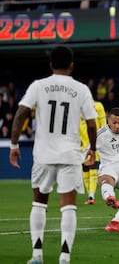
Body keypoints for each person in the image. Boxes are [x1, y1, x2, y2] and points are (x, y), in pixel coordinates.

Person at [9, 45, 97, 264]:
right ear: (72, 65)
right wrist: (93, 149)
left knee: (39, 203)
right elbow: (92, 124)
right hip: (70, 154)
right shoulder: (82, 89)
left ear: (50, 65)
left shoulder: (39, 86)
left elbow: (21, 114)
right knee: (68, 205)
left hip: (43, 155)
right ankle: (64, 257)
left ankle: (37, 255)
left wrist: (13, 144)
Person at [80, 99, 106, 205]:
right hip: (81, 143)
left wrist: (101, 138)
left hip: (94, 142)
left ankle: (92, 195)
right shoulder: (76, 107)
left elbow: (103, 124)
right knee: (85, 168)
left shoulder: (98, 105)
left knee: (92, 166)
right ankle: (90, 196)